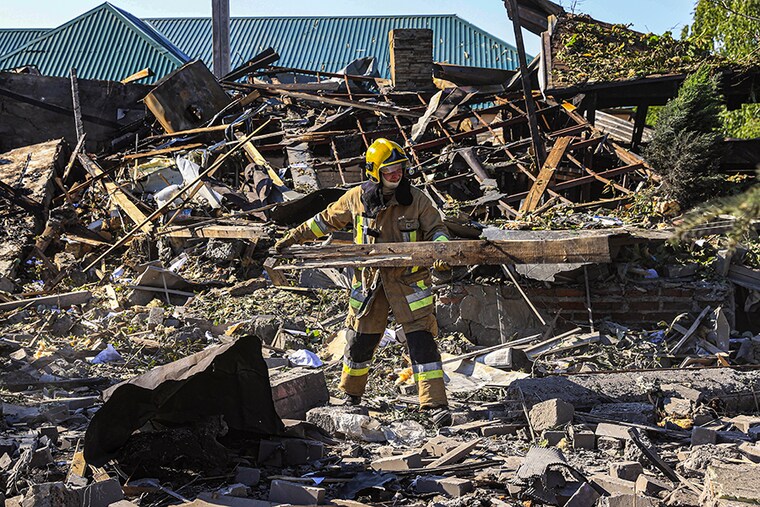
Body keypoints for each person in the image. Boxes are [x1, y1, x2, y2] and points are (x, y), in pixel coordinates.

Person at [275, 138, 451, 424]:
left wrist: (442, 249)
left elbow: (437, 228)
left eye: (400, 169)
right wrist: (295, 237)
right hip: (370, 286)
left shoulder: (416, 199)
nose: (396, 175)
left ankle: (434, 406)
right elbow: (325, 221)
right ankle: (351, 395)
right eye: (389, 170)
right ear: (374, 171)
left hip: (408, 285)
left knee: (422, 343)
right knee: (360, 341)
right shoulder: (356, 198)